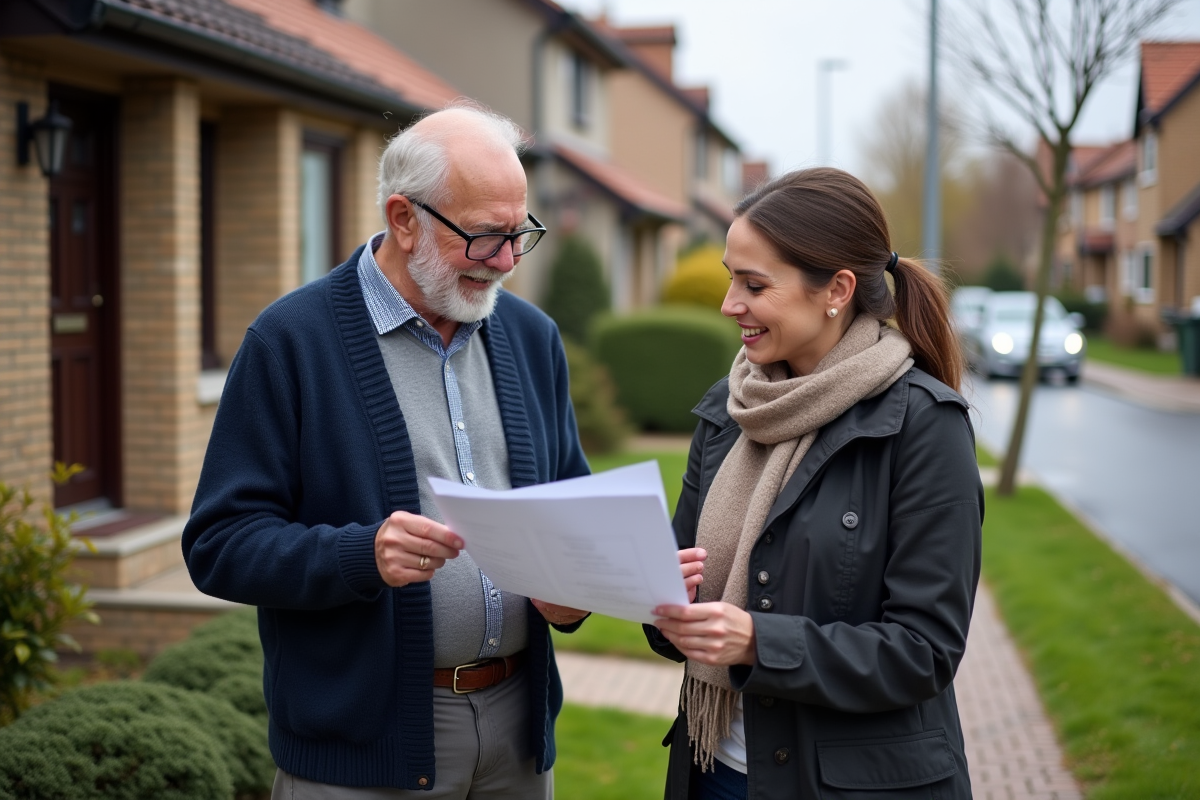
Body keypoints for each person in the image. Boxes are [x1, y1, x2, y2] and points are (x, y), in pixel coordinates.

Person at [182, 104, 591, 798]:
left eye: (521, 233)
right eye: (486, 237)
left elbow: (570, 507)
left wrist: (577, 587)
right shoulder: (290, 342)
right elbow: (220, 545)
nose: (507, 261)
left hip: (519, 739)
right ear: (404, 219)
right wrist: (361, 554)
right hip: (364, 747)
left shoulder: (531, 337)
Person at [647, 168, 982, 800]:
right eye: (729, 278)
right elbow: (679, 585)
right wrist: (662, 600)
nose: (728, 304)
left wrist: (756, 641)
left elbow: (924, 651)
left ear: (837, 289)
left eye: (754, 284)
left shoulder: (924, 426)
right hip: (712, 769)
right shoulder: (729, 408)